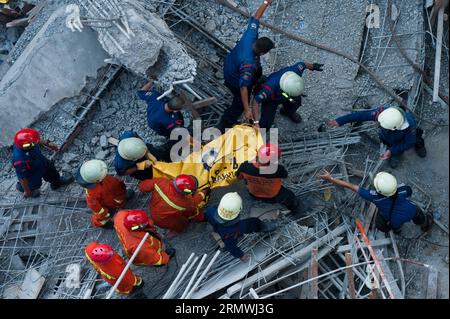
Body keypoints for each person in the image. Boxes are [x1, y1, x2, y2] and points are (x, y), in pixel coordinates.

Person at [217, 0, 275, 132]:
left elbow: (256, 17)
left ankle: (256, 83)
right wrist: (247, 109)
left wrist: (266, 3)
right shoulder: (248, 64)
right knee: (239, 103)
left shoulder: (251, 35)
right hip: (234, 79)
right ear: (261, 52)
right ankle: (225, 123)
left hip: (232, 63)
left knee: (258, 71)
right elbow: (243, 88)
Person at [318, 169, 433, 234]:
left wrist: (331, 179)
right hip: (411, 211)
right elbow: (409, 191)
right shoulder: (402, 190)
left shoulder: (375, 197)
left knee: (381, 223)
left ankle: (397, 230)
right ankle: (424, 223)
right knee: (418, 214)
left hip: (393, 220)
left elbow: (351, 186)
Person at [328, 105, 427, 168]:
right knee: (390, 144)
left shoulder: (410, 125)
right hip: (387, 137)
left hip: (402, 137)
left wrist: (392, 151)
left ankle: (418, 146)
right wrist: (340, 121)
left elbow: (408, 142)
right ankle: (393, 152)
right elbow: (361, 115)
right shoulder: (383, 114)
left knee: (413, 140)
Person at [205, 192, 278, 261]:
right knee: (253, 223)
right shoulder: (233, 230)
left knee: (223, 231)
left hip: (219, 228)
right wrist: (240, 255)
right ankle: (264, 227)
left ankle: (218, 230)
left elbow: (207, 214)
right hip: (231, 231)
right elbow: (231, 247)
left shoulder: (210, 210)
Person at [252, 61, 324, 128]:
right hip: (271, 101)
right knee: (266, 123)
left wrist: (313, 66)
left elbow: (303, 64)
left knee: (295, 102)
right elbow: (256, 102)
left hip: (285, 95)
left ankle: (287, 111)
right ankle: (261, 133)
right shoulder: (269, 88)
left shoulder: (295, 71)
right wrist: (256, 122)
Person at [236, 143, 304, 214]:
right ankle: (297, 211)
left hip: (254, 194)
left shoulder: (245, 166)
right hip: (273, 196)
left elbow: (239, 177)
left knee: (246, 180)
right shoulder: (278, 170)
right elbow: (285, 176)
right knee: (290, 196)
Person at [138, 175, 209, 237]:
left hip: (153, 210)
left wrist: (141, 186)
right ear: (186, 192)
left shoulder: (162, 182)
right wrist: (203, 193)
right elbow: (193, 204)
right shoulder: (182, 202)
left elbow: (143, 186)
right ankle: (175, 231)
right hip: (163, 220)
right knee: (182, 223)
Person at [12, 128, 73, 198]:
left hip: (40, 160)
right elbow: (22, 177)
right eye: (34, 143)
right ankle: (24, 188)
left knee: (52, 172)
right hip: (32, 171)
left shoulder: (26, 142)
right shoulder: (19, 160)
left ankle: (57, 183)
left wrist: (49, 144)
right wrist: (27, 191)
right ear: (26, 146)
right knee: (34, 184)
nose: (36, 142)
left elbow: (36, 140)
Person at [76, 159, 134, 228]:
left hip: (113, 195)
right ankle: (104, 223)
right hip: (106, 206)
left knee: (118, 195)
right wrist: (105, 213)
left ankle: (121, 201)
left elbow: (116, 185)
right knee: (100, 217)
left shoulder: (99, 175)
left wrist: (122, 192)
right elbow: (95, 206)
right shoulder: (91, 192)